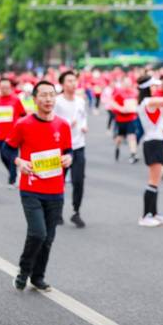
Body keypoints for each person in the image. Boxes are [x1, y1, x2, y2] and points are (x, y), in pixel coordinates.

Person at [4, 80, 73, 292]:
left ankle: (38, 276)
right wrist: (18, 162)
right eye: (43, 95)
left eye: (52, 94)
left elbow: (68, 151)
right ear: (34, 99)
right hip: (31, 189)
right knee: (38, 233)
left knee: (48, 238)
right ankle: (24, 271)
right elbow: (7, 149)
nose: (48, 99)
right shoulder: (23, 124)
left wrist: (68, 159)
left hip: (55, 191)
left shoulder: (63, 125)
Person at [136, 75, 163, 227]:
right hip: (153, 142)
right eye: (153, 86)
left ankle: (153, 213)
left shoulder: (149, 102)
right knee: (153, 181)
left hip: (156, 141)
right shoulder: (149, 102)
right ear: (147, 87)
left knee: (156, 180)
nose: (155, 88)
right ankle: (146, 215)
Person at [54, 71, 88, 228]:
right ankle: (57, 211)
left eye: (74, 81)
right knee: (58, 181)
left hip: (79, 145)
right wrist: (67, 123)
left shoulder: (81, 101)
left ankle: (76, 212)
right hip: (61, 147)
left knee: (79, 181)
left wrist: (84, 125)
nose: (73, 84)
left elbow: (83, 117)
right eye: (69, 81)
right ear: (62, 83)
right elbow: (52, 122)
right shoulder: (57, 102)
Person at [0, 77, 27, 188]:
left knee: (12, 156)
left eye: (7, 87)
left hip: (14, 135)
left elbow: (23, 115)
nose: (4, 89)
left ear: (10, 87)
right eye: (2, 87)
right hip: (1, 134)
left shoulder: (15, 100)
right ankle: (14, 172)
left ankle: (12, 179)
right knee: (3, 156)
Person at [111, 76, 140, 163]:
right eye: (126, 82)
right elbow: (112, 103)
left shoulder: (134, 93)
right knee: (120, 137)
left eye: (129, 82)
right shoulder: (118, 92)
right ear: (123, 83)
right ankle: (117, 147)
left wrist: (136, 109)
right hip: (120, 119)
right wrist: (121, 109)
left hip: (131, 118)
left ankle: (133, 154)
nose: (128, 84)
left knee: (132, 136)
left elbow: (137, 103)